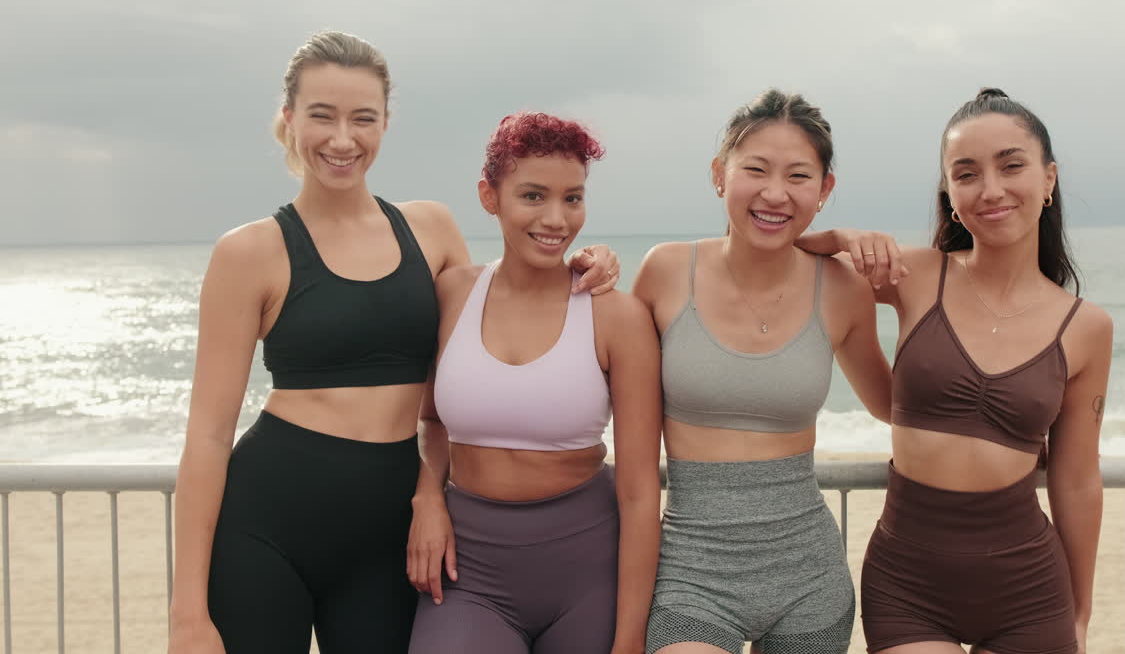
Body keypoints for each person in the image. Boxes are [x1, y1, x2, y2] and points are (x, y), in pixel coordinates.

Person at [167, 32, 620, 654]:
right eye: (321, 115)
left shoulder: (430, 230)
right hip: (268, 521)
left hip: (392, 530)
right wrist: (187, 615)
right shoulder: (248, 252)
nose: (342, 139)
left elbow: (501, 311)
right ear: (289, 118)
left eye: (363, 118)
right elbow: (208, 435)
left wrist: (585, 261)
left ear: (385, 124)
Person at [801, 87, 1111, 653]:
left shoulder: (1086, 327)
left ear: (1048, 179)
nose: (990, 189)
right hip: (908, 586)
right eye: (966, 173)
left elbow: (1077, 479)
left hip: (1030, 591)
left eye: (1011, 165)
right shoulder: (913, 275)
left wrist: (1081, 609)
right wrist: (843, 237)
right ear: (949, 192)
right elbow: (777, 257)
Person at [631, 89, 893, 654]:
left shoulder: (843, 289)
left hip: (809, 576)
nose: (775, 193)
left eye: (799, 176)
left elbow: (895, 407)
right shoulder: (665, 272)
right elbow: (605, 393)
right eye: (755, 169)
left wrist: (904, 286)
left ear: (824, 191)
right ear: (719, 174)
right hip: (691, 573)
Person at [405, 111, 662, 654]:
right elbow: (428, 420)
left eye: (573, 198)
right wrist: (427, 496)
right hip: (469, 573)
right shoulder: (451, 293)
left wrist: (630, 641)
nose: (556, 218)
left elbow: (640, 493)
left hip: (589, 573)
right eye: (533, 196)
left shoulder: (617, 316)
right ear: (489, 196)